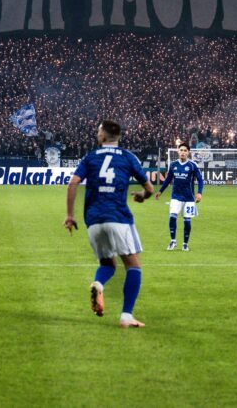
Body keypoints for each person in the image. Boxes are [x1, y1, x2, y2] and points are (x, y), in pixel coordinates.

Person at [63, 120, 154, 329]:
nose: (97, 135)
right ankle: (126, 316)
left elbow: (73, 183)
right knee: (133, 265)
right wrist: (143, 195)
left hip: (94, 221)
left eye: (98, 132)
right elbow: (149, 188)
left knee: (107, 264)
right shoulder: (128, 157)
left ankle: (99, 283)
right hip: (118, 218)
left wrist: (70, 215)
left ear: (103, 136)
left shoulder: (90, 157)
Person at [156, 143, 204, 251]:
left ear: (188, 152)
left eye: (185, 150)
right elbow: (168, 179)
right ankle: (173, 241)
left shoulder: (192, 165)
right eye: (181, 150)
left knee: (187, 221)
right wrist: (160, 191)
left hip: (189, 198)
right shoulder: (173, 165)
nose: (183, 152)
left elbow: (200, 180)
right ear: (178, 151)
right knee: (172, 216)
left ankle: (185, 244)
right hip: (176, 196)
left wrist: (199, 193)